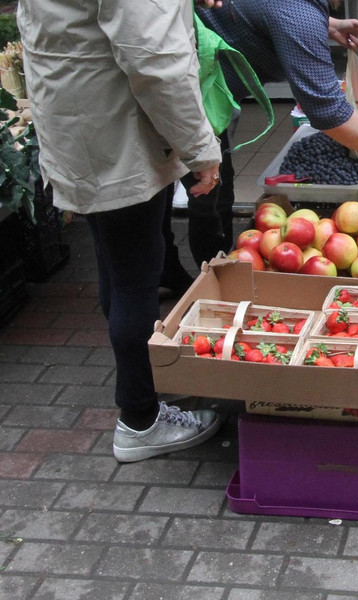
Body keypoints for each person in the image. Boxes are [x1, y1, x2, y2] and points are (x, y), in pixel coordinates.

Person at [19, 0, 224, 462]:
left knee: (118, 269)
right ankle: (139, 421)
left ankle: (144, 393)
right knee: (135, 280)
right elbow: (155, 60)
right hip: (118, 133)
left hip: (82, 124)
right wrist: (201, 149)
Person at [176, 0, 358, 270]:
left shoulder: (300, 11)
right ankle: (213, 282)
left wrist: (327, 24)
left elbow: (265, 11)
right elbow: (326, 110)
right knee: (207, 197)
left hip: (197, 84)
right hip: (183, 96)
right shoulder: (298, 12)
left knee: (206, 193)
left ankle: (172, 273)